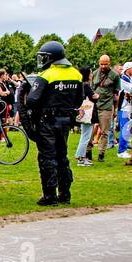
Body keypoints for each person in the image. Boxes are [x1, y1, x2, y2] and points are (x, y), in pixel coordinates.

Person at [22, 41, 85, 206]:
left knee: (47, 157)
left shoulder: (47, 75)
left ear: (51, 58)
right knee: (62, 156)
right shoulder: (76, 75)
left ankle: (50, 195)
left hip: (47, 122)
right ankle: (65, 193)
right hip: (66, 121)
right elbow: (79, 99)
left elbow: (32, 100)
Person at [86, 55, 118, 162]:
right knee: (90, 130)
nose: (103, 66)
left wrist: (115, 109)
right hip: (94, 106)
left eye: (105, 64)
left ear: (109, 63)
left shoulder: (115, 75)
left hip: (107, 106)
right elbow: (90, 89)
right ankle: (88, 151)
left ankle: (101, 154)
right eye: (101, 64)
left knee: (105, 131)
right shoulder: (95, 73)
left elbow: (116, 93)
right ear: (99, 63)